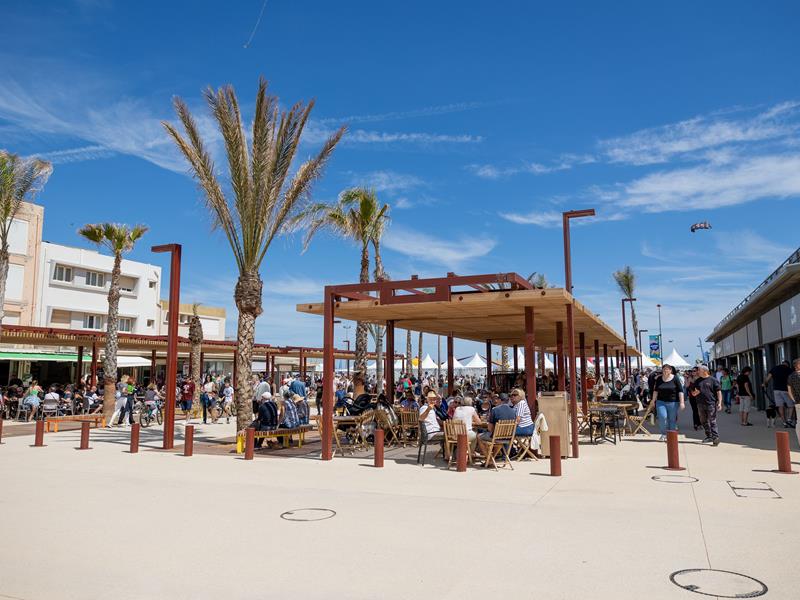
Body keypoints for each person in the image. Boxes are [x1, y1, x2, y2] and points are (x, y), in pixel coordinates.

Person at [689, 365, 723, 445]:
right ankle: (709, 436)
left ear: (705, 371)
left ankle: (715, 438)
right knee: (703, 421)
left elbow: (718, 392)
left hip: (711, 403)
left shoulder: (713, 380)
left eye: (699, 370)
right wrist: (694, 393)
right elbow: (693, 391)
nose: (697, 372)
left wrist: (720, 402)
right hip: (700, 404)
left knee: (712, 421)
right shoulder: (697, 381)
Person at [651, 364, 685, 441]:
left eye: (667, 369)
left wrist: (682, 402)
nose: (665, 371)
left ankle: (671, 435)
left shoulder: (675, 378)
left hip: (673, 402)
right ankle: (663, 434)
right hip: (660, 402)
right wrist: (653, 400)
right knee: (662, 417)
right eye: (664, 369)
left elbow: (680, 391)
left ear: (670, 370)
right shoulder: (659, 379)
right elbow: (655, 390)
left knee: (672, 419)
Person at [764, 360, 795, 427]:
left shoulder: (774, 368)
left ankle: (784, 422)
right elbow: (793, 380)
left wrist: (764, 384)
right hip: (786, 390)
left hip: (776, 390)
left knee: (780, 406)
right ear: (787, 365)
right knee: (791, 405)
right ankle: (789, 419)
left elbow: (767, 379)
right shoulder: (789, 370)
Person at [786, 358, 800, 447]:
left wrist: (794, 400)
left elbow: (789, 391)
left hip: (797, 402)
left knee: (799, 423)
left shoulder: (790, 376)